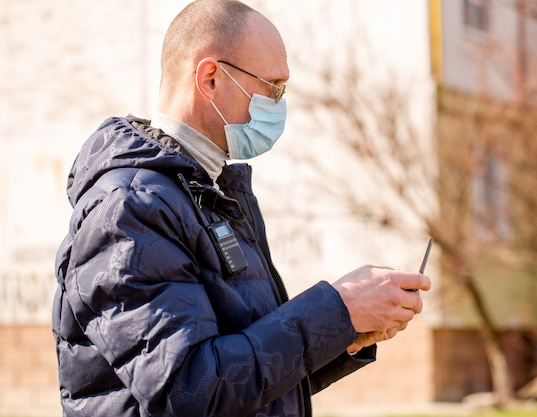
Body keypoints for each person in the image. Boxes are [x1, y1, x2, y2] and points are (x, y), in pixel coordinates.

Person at [52, 1, 431, 416]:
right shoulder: (131, 207)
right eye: (273, 85)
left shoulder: (207, 192)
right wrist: (338, 308)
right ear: (211, 78)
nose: (280, 102)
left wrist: (345, 332)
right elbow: (191, 391)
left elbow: (246, 378)